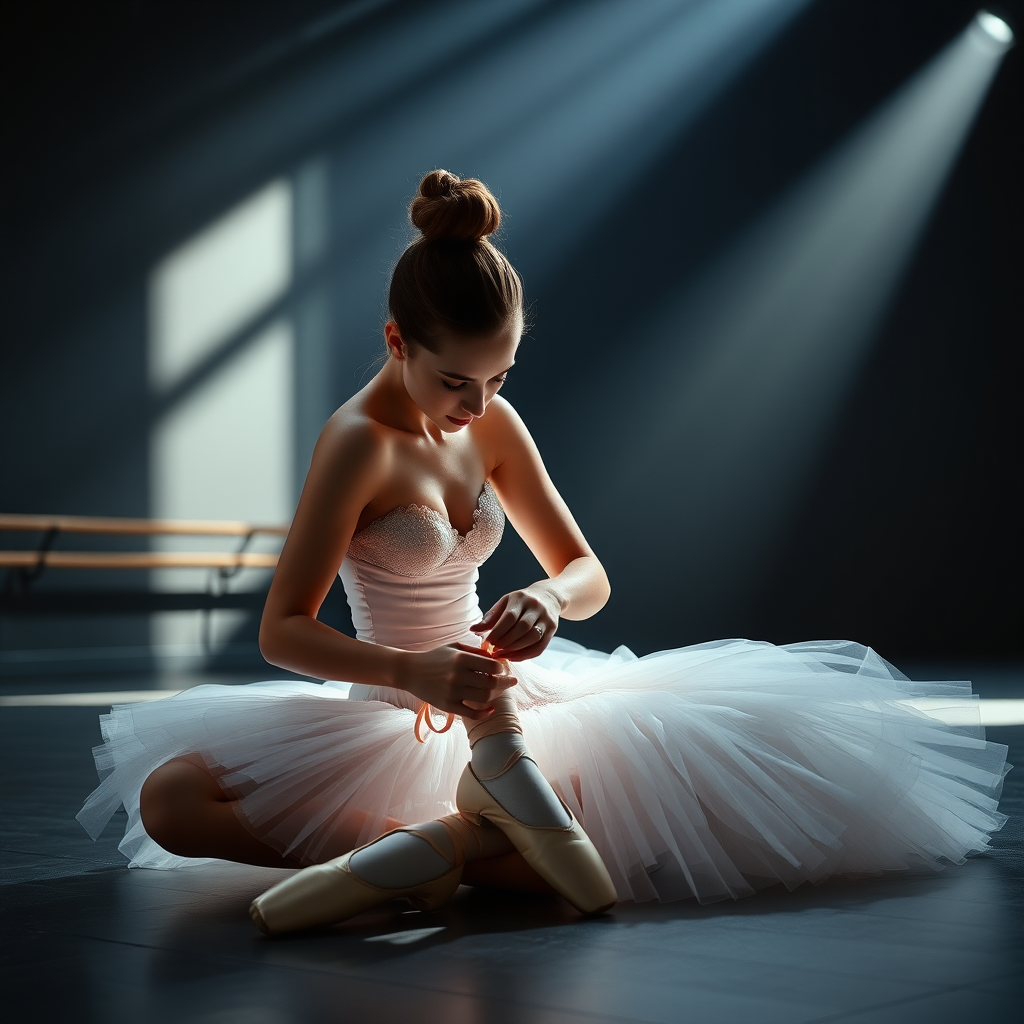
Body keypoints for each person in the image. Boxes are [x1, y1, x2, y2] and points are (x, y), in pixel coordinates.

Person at [78, 170, 1010, 935]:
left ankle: (432, 857)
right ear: (398, 342)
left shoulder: (492, 423)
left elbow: (590, 574)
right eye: (456, 380)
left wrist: (548, 602)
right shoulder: (356, 441)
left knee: (682, 795)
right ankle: (462, 848)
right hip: (395, 691)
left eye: (499, 378)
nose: (477, 405)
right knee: (170, 799)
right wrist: (415, 669)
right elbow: (284, 632)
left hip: (503, 693)